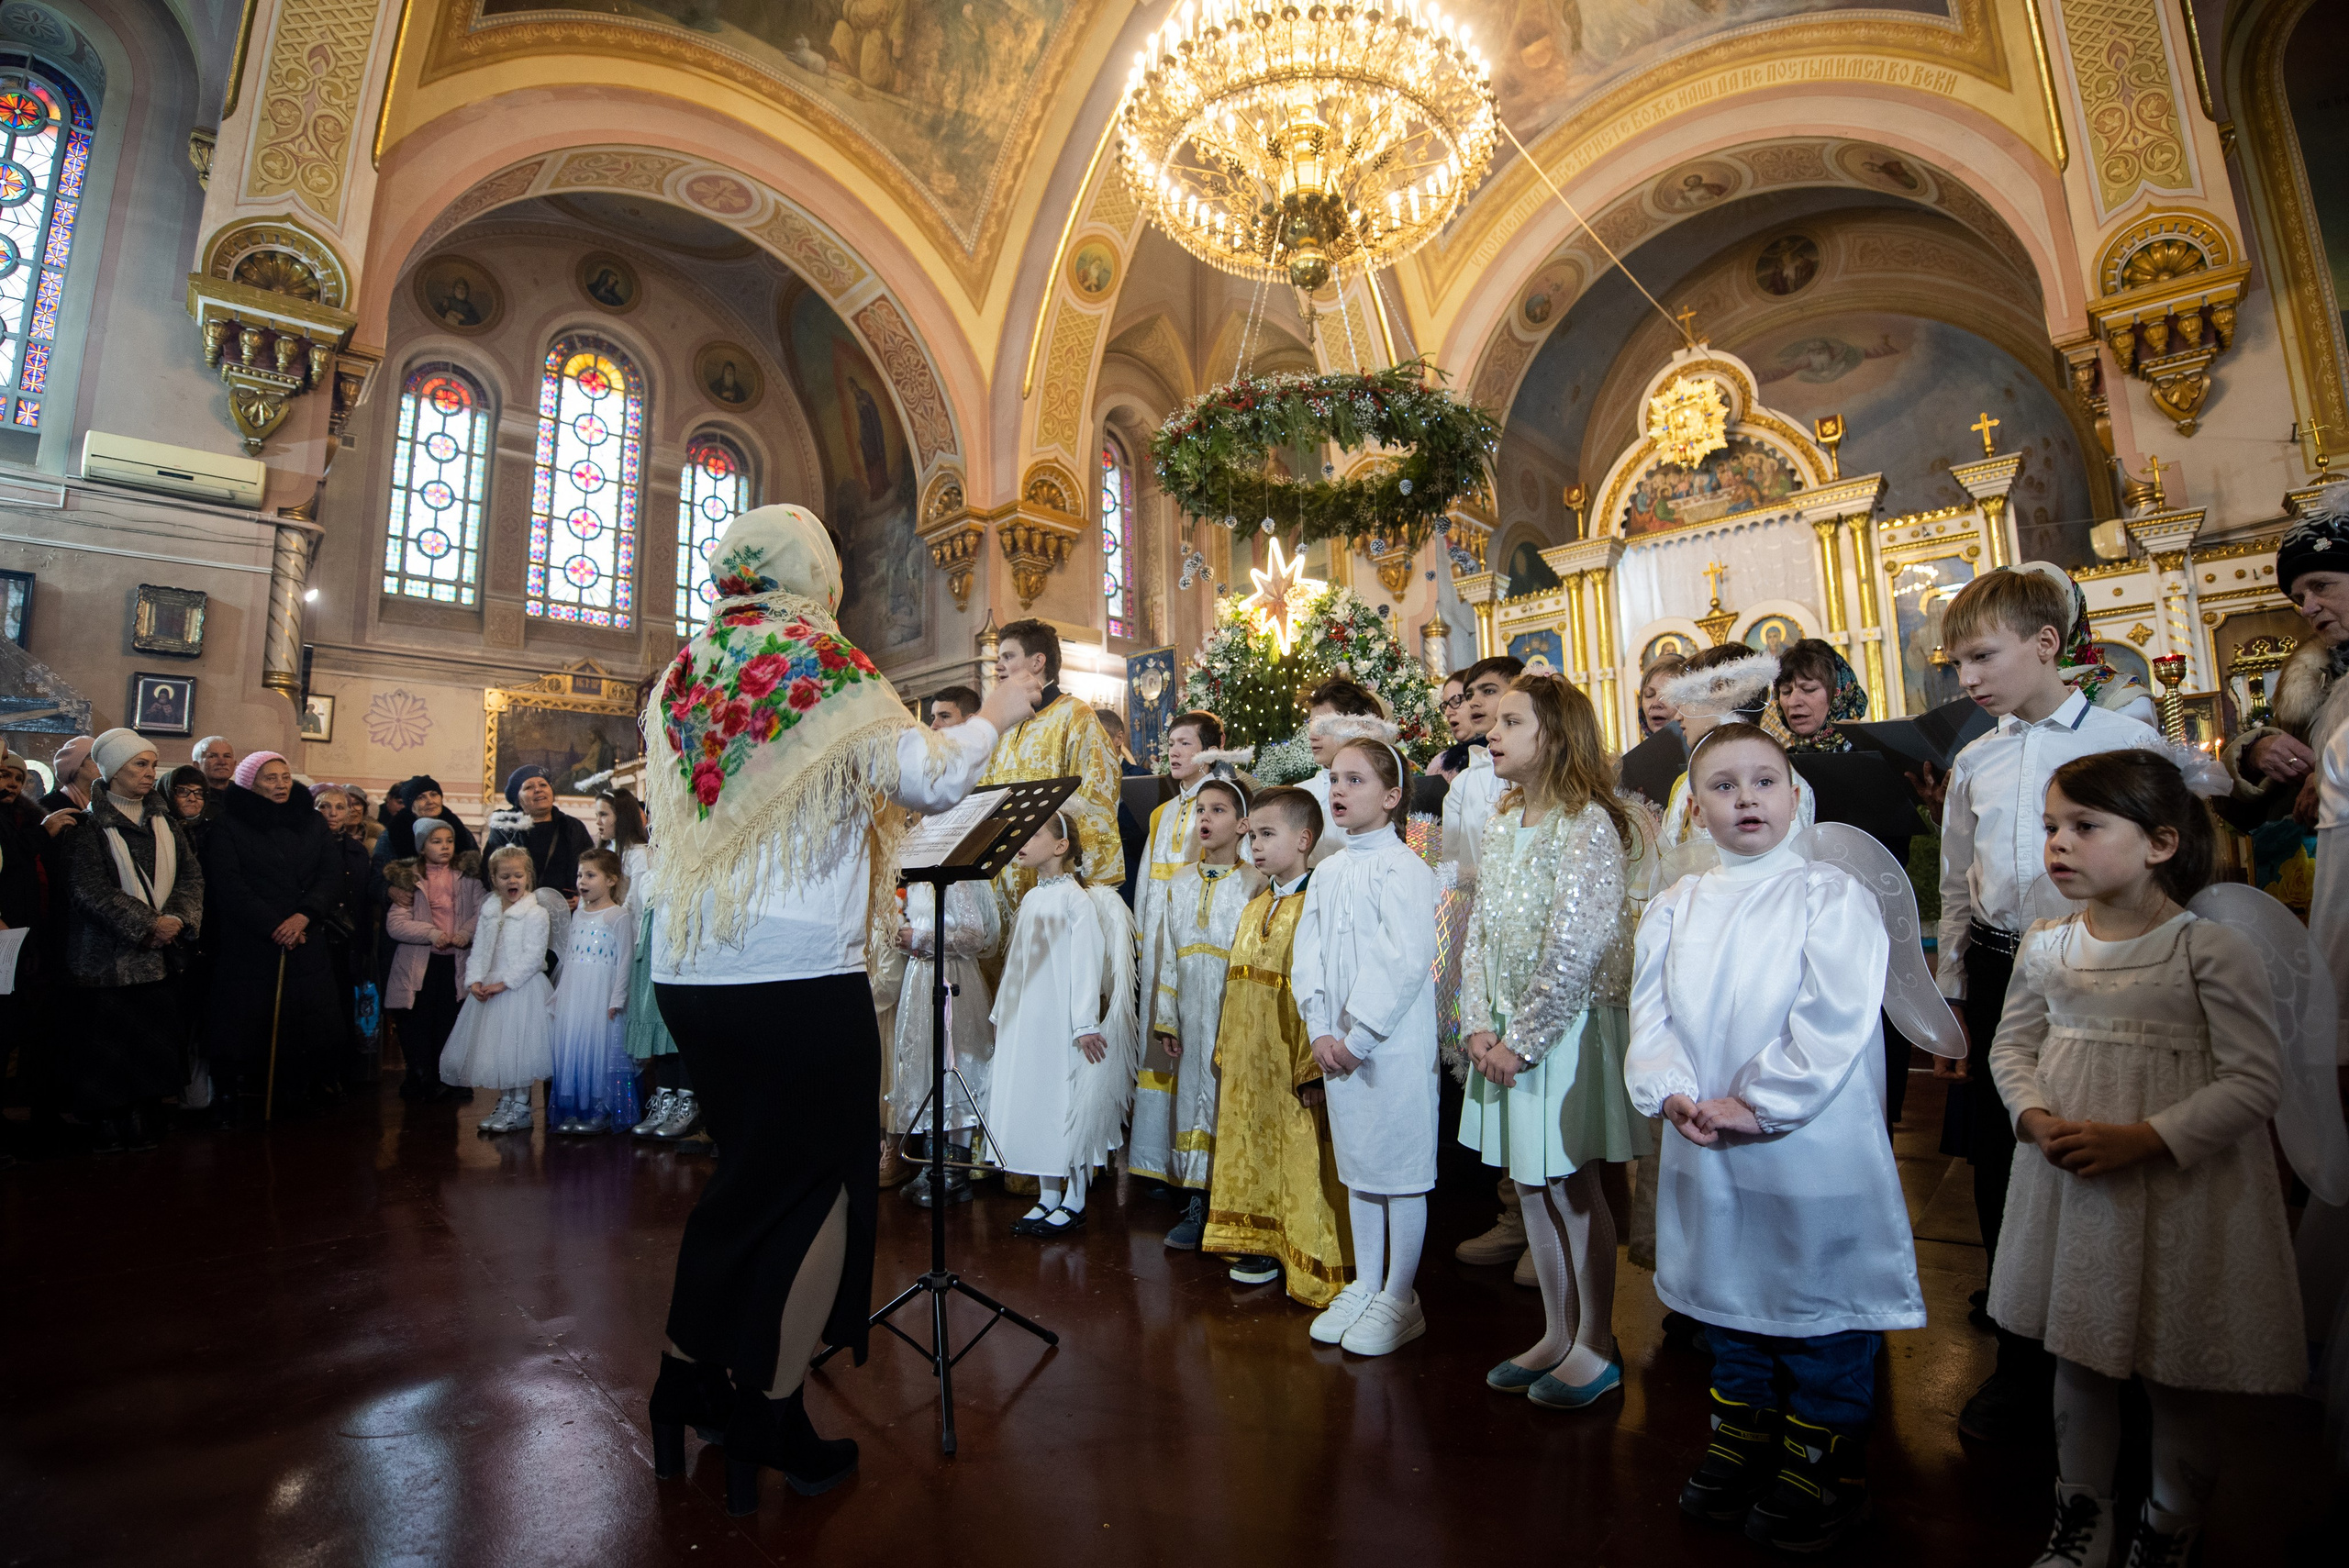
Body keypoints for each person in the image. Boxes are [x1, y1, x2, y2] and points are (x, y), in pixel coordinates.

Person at [638, 504, 1036, 1511]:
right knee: (820, 1190)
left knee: (747, 1180)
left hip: (692, 971)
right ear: (812, 572)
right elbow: (929, 776)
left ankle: (687, 1379)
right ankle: (769, 1413)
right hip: (794, 974)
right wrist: (999, 709)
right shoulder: (819, 662)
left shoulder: (688, 671)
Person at [1987, 751, 2306, 1565]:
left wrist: (2143, 1139)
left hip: (2179, 1186)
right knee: (2081, 1352)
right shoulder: (2047, 944)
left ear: (2161, 842)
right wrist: (2032, 1113)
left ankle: (2169, 1525)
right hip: (2073, 1184)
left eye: (2085, 826)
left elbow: (2254, 1079)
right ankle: (2082, 1518)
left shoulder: (2208, 949)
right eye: (2051, 826)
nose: (2058, 843)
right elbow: (2013, 1046)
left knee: (2175, 1363)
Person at [1624, 722, 1915, 1553]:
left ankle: (1824, 1455)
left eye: (1763, 781)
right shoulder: (1676, 905)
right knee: (1729, 1293)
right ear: (1695, 808)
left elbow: (1833, 1019)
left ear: (1797, 797)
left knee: (1816, 1294)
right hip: (1706, 1134)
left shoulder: (1830, 895)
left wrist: (1761, 1102)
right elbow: (1654, 1017)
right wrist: (1672, 1089)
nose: (1745, 797)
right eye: (1722, 785)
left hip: (1805, 1140)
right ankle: (1743, 1428)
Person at [1933, 565, 2161, 1442]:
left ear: (2045, 644)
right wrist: (1956, 988)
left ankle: (2113, 1350)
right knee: (2003, 1150)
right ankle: (2020, 1352)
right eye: (1957, 664)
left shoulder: (2119, 735)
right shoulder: (1976, 758)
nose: (1969, 678)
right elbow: (1960, 880)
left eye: (1983, 657)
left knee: (2101, 1142)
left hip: (2102, 963)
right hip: (2001, 967)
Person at [1461, 676, 1651, 1408]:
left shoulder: (1588, 824)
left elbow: (1579, 940)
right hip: (1505, 1030)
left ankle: (1596, 1342)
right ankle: (1555, 1328)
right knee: (1531, 1184)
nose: (1490, 732)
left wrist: (1526, 1038)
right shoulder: (1506, 821)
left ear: (1558, 736)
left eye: (1511, 721)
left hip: (1562, 1031)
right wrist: (1477, 1021)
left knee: (1572, 1183)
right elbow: (1476, 930)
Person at [1293, 721, 1440, 1356]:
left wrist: (1361, 1034)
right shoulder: (1326, 872)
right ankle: (1366, 1280)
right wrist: (1320, 1026)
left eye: (1355, 780)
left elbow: (1404, 960)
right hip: (1338, 1048)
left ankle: (1400, 1296)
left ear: (1391, 795)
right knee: (1359, 1170)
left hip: (1391, 1048)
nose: (1339, 790)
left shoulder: (1406, 869)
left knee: (1400, 1170)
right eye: (1333, 779)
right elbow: (1309, 953)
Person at [1200, 785, 1350, 1302]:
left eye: (1267, 834)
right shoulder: (1255, 903)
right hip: (1249, 1061)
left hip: (1292, 1059)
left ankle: (1303, 1250)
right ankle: (1260, 1242)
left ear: (1305, 838)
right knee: (1251, 1147)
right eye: (1252, 836)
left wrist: (1313, 1066)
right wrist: (1226, 1049)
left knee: (1299, 1153)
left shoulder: (1318, 904)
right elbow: (1235, 982)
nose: (1254, 846)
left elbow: (1323, 990)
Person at [987, 810, 1139, 1238]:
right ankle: (1047, 1194)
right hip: (1028, 1019)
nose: (1023, 840)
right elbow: (1017, 963)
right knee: (1036, 1099)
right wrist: (1003, 1013)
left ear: (1061, 846)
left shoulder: (1076, 900)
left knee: (1065, 1101)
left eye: (1034, 833)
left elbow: (1085, 963)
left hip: (1062, 1020)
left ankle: (1075, 1198)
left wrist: (1084, 1023)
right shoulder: (1033, 898)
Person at [63, 728, 202, 1152]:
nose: (149, 774)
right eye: (139, 765)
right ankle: (108, 1120)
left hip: (161, 959)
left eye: (152, 765)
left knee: (151, 1044)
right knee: (109, 1048)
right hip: (108, 959)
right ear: (112, 771)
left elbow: (191, 878)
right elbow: (90, 890)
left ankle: (144, 1113)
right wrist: (148, 925)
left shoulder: (168, 826)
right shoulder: (87, 827)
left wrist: (177, 918)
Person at [1140, 773, 1260, 1247]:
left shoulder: (1256, 884)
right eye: (1201, 810)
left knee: (1229, 1100)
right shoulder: (1181, 881)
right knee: (1191, 1097)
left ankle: (1231, 1199)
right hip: (1190, 1010)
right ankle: (1195, 1201)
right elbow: (1169, 952)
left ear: (1243, 824)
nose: (1205, 818)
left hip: (1234, 1008)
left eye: (1218, 811)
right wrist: (1167, 1017)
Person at [1440, 655, 1529, 1275]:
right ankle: (1512, 1214)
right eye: (1471, 695)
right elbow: (1449, 865)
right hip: (1478, 931)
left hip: (1534, 938)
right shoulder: (1468, 783)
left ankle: (1549, 1217)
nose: (1475, 706)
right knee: (1491, 1071)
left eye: (1490, 693)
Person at [202, 751, 345, 1123]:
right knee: (246, 1023)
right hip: (251, 942)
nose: (281, 784)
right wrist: (274, 925)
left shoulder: (311, 821)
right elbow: (229, 885)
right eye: (270, 778)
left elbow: (330, 874)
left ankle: (295, 1090)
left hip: (305, 936)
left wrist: (304, 916)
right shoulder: (229, 824)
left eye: (285, 777)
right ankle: (234, 1097)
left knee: (304, 1023)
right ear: (251, 782)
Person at [978, 617, 1125, 919]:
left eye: (1008, 656)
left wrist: (1077, 865)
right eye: (998, 659)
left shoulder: (1076, 716)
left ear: (1037, 662)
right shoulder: (1005, 724)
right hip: (1004, 870)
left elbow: (1098, 800)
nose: (998, 667)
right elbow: (986, 792)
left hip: (1055, 876)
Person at [874, 870, 998, 1204]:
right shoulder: (915, 880)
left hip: (950, 974)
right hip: (921, 977)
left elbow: (974, 936)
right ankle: (933, 1166)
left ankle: (954, 1172)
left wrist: (921, 939)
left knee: (955, 1064)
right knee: (925, 1067)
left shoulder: (955, 880)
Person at [1131, 709, 1221, 1172]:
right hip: (1160, 943)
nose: (1175, 751)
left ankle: (1195, 1161)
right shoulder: (1163, 812)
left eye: (1186, 743)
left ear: (1209, 751)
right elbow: (1147, 881)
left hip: (1198, 939)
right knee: (1157, 1034)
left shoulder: (1221, 806)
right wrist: (1144, 940)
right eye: (1171, 743)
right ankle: (1156, 1156)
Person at [440, 844, 556, 1135]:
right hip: (491, 988)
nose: (512, 881)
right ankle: (506, 1103)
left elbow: (534, 957)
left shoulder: (536, 913)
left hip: (521, 989)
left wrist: (504, 983)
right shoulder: (490, 909)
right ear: (494, 879)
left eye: (517, 875)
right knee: (500, 1049)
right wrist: (475, 981)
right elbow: (479, 950)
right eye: (505, 876)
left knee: (520, 1049)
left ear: (528, 876)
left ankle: (521, 1108)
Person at [384, 820, 482, 1103]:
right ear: (422, 847)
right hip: (420, 965)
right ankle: (420, 1076)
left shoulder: (468, 878)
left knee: (449, 1023)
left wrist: (465, 932)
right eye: (436, 841)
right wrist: (431, 933)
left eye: (449, 841)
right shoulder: (411, 879)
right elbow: (395, 924)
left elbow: (483, 911)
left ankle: (449, 1079)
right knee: (418, 1022)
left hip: (455, 964)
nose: (445, 847)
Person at [550, 849, 637, 1133]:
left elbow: (625, 960)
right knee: (576, 1048)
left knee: (599, 1050)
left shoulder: (617, 915)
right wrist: (560, 993)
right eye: (579, 875)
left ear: (611, 880)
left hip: (601, 994)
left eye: (590, 875)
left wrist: (618, 997)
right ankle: (577, 1109)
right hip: (577, 994)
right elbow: (569, 959)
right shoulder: (578, 914)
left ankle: (602, 1109)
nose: (581, 881)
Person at [1297, 675, 1384, 869]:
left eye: (1323, 726)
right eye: (1310, 724)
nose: (1312, 735)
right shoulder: (1301, 795)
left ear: (1356, 725)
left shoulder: (1384, 786)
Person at [484, 764, 594, 902]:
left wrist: (581, 897)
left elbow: (591, 867)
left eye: (543, 785)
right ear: (517, 799)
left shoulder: (572, 826)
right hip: (520, 908)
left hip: (564, 909)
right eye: (529, 787)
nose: (538, 790)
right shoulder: (505, 828)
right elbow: (490, 873)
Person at [1094, 705, 1152, 905]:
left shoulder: (1141, 777)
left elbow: (1146, 828)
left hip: (1129, 865)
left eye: (1100, 738)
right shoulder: (1083, 780)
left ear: (1119, 738)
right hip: (1092, 867)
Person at [375, 774, 477, 864]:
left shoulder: (458, 829)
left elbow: (476, 871)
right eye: (420, 797)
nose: (430, 801)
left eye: (433, 794)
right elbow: (379, 878)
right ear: (410, 805)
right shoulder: (393, 833)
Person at [1638, 654, 1688, 740]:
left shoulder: (1708, 750)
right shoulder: (1640, 753)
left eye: (1667, 695)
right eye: (1649, 695)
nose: (1655, 704)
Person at [43, 734, 95, 813]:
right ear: (76, 767)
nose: (101, 764)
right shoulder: (48, 806)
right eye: (93, 758)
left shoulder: (106, 802)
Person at [192, 736, 235, 815]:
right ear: (196, 765)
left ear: (234, 764)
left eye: (227, 756)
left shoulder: (245, 795)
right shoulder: (190, 798)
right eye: (212, 756)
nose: (222, 762)